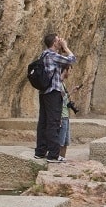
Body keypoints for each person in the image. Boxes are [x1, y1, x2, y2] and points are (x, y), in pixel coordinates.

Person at [34, 33, 77, 163]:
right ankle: (53, 155)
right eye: (59, 40)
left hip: (44, 92)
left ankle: (40, 152)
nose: (61, 41)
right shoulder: (52, 55)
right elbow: (72, 59)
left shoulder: (44, 54)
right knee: (53, 122)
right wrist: (66, 47)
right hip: (53, 92)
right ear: (54, 43)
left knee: (43, 122)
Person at [59, 65, 79, 160]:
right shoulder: (58, 84)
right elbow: (59, 100)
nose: (70, 73)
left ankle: (62, 159)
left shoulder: (63, 84)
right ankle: (57, 158)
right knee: (60, 141)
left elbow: (64, 98)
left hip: (66, 116)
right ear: (65, 70)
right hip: (61, 116)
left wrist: (71, 92)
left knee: (65, 141)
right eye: (69, 70)